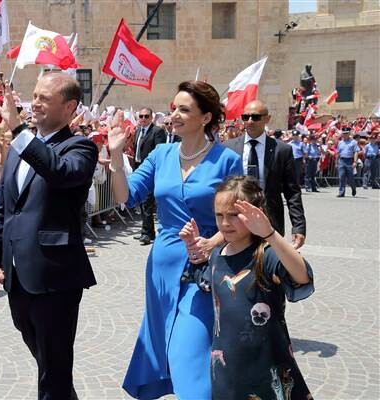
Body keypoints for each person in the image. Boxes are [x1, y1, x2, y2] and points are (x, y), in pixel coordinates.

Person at [107, 81, 243, 399]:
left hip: (206, 269)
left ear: (206, 117)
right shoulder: (161, 154)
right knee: (167, 346)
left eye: (184, 109)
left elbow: (240, 217)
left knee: (189, 351)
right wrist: (115, 157)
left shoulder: (227, 161)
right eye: (173, 109)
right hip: (162, 268)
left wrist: (213, 242)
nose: (174, 115)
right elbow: (125, 196)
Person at [0, 72, 98, 400]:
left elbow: (59, 172)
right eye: (34, 95)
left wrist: (17, 131)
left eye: (44, 98)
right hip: (18, 275)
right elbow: (3, 210)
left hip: (55, 276)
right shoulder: (19, 150)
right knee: (47, 362)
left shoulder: (81, 147)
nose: (35, 103)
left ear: (70, 106)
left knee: (54, 366)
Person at [180, 175, 314, 400]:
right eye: (219, 215)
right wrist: (194, 248)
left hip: (267, 368)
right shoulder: (217, 255)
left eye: (234, 215)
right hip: (227, 371)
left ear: (256, 213)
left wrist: (270, 234)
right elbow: (204, 281)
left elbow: (302, 277)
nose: (224, 223)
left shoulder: (266, 255)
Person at [224, 100, 306, 249]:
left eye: (255, 117)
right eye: (245, 117)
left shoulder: (282, 150)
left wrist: (298, 226)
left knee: (267, 266)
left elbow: (292, 192)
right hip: (236, 219)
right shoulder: (229, 148)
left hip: (270, 220)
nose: (249, 121)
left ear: (267, 119)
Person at [132, 107, 166, 245]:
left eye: (146, 116)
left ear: (151, 117)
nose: (143, 119)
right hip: (139, 169)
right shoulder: (138, 131)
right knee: (142, 202)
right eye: (141, 116)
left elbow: (159, 151)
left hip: (151, 172)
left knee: (147, 203)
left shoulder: (157, 131)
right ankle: (147, 231)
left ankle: (146, 233)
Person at [336, 129, 359, 197]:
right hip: (342, 160)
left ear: (349, 134)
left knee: (350, 178)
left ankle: (353, 188)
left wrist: (355, 162)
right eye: (344, 133)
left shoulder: (353, 142)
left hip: (350, 161)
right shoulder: (340, 142)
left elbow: (356, 152)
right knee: (341, 176)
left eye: (346, 133)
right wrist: (336, 162)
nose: (345, 135)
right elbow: (338, 153)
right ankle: (341, 192)